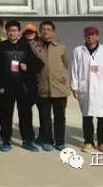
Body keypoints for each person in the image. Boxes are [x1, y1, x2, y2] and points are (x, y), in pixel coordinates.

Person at [0, 20, 43, 153]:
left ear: (19, 32)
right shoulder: (1, 46)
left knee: (25, 115)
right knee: (5, 114)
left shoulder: (25, 45)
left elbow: (38, 63)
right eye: (10, 31)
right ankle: (6, 140)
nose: (12, 33)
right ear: (6, 32)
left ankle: (27, 141)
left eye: (15, 31)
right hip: (6, 87)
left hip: (23, 87)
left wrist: (28, 67)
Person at [71, 26, 103, 153]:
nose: (90, 37)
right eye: (87, 35)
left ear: (97, 36)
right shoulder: (78, 51)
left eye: (92, 35)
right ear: (84, 36)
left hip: (102, 89)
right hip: (85, 89)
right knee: (87, 117)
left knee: (102, 117)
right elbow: (74, 70)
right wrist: (75, 87)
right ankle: (88, 142)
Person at [29, 20, 70, 151]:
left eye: (48, 29)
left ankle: (60, 142)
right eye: (43, 29)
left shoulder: (61, 47)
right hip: (43, 87)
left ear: (53, 32)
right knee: (45, 117)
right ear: (40, 31)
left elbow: (66, 64)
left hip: (59, 88)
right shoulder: (34, 46)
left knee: (60, 117)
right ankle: (47, 140)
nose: (46, 32)